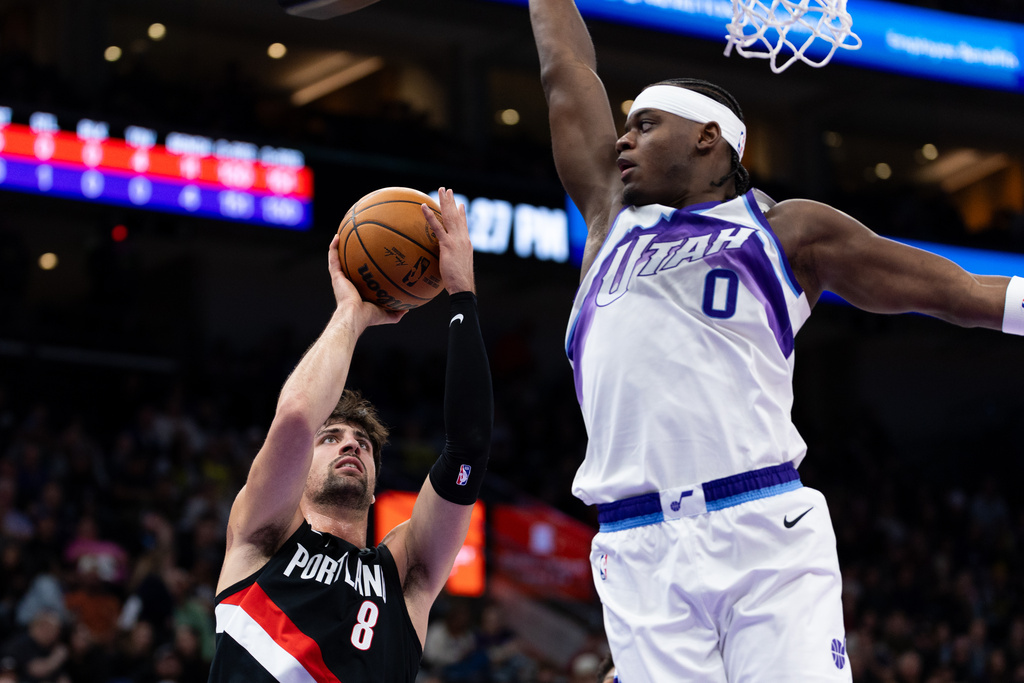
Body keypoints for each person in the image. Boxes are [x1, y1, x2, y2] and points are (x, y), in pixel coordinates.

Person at [528, 1, 1018, 680]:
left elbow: (959, 294)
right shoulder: (610, 218)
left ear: (708, 138)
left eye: (645, 124)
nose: (621, 140)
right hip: (635, 544)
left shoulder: (787, 231)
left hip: (761, 525)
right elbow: (564, 71)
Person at [207, 188, 492, 682]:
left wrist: (462, 293)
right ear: (298, 469)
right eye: (331, 436)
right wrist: (352, 315)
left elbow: (468, 449)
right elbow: (296, 418)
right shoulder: (264, 536)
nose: (351, 444)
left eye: (363, 443)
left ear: (377, 482)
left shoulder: (404, 574)